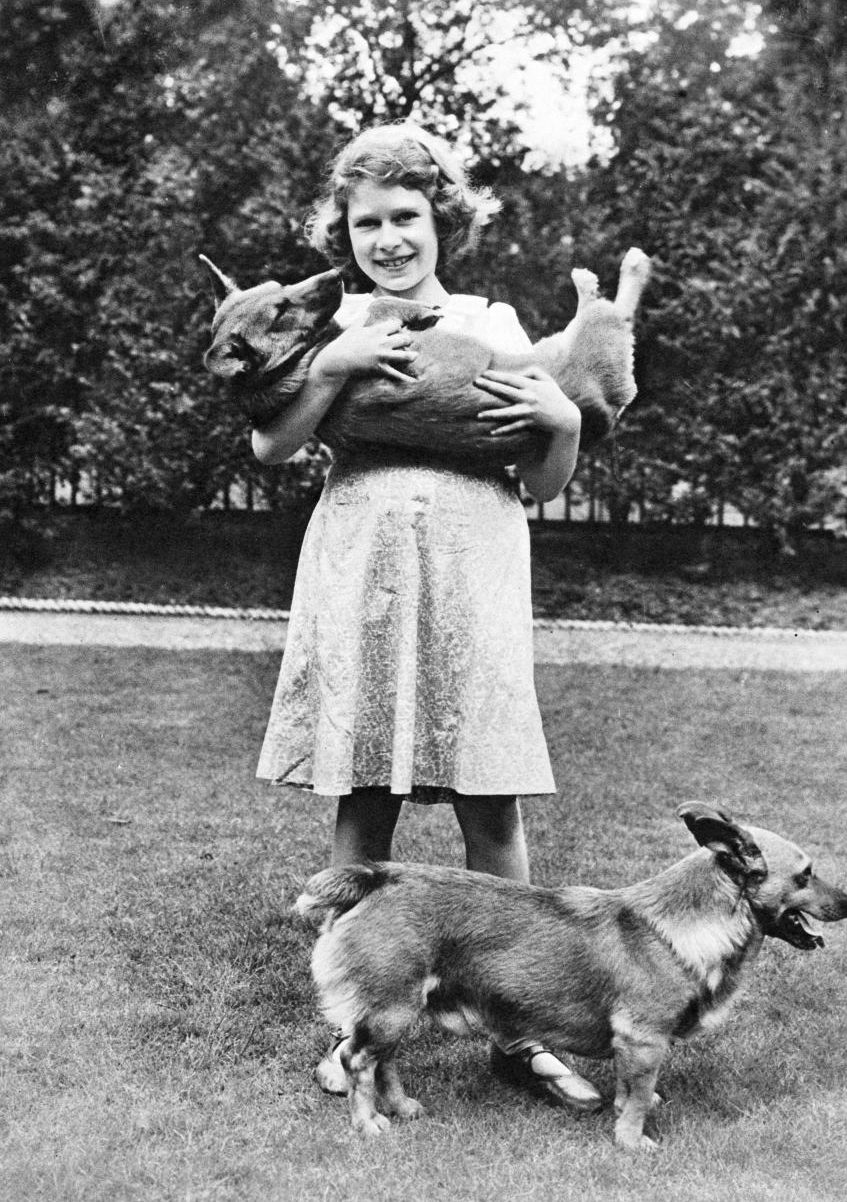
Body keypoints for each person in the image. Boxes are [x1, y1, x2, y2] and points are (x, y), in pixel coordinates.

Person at [252, 122, 600, 1113]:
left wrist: (564, 424)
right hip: (363, 561)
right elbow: (271, 446)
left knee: (490, 794)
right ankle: (350, 1034)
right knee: (367, 790)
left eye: (407, 216)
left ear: (441, 221)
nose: (390, 238)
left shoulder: (492, 324)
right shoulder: (326, 323)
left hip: (475, 561)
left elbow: (540, 476)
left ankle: (520, 1031)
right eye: (369, 222)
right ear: (345, 232)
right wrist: (332, 365)